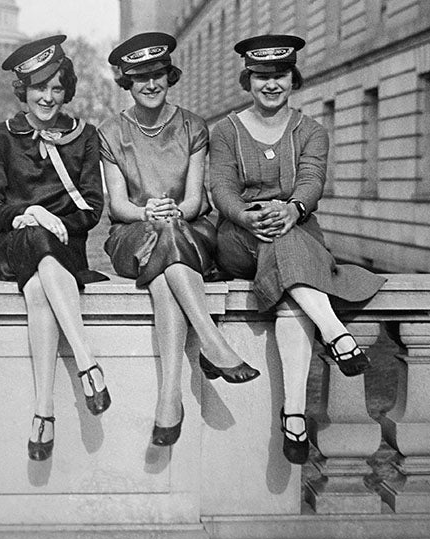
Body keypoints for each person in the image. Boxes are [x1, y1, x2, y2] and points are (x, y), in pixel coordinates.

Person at [209, 34, 384, 464]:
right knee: (283, 244)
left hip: (297, 230)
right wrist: (249, 216)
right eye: (262, 76)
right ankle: (335, 333)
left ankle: (294, 415)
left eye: (280, 75)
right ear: (248, 80)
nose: (271, 84)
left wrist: (293, 208)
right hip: (238, 238)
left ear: (293, 79)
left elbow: (312, 181)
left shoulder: (312, 131)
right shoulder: (226, 131)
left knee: (290, 265)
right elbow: (222, 187)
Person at [100, 33, 260, 448]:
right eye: (139, 78)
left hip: (186, 228)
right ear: (127, 83)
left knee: (164, 267)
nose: (150, 85)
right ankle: (210, 340)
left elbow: (194, 201)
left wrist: (171, 213)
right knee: (164, 242)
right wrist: (147, 212)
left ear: (169, 77)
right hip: (132, 232)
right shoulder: (111, 131)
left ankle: (170, 397)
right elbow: (118, 205)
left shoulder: (192, 126)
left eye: (157, 76)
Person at [0, 35, 109, 462]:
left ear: (67, 90)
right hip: (12, 243)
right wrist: (32, 213)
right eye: (39, 88)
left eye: (57, 88)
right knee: (37, 237)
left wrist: (58, 223)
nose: (48, 97)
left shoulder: (85, 136)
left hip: (65, 247)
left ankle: (44, 410)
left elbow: (92, 208)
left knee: (38, 291)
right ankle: (87, 362)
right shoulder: (0, 137)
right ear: (24, 91)